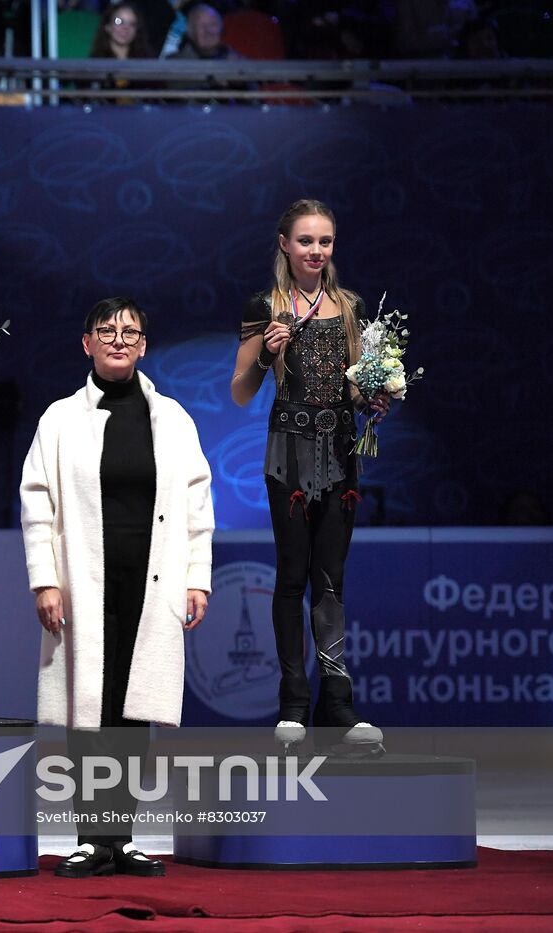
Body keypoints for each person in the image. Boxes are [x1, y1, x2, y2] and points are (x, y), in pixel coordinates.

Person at [21, 297, 213, 879]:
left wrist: (196, 578)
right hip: (84, 584)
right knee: (91, 710)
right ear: (87, 343)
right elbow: (37, 503)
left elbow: (198, 505)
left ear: (144, 345)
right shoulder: (58, 419)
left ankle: (123, 839)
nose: (119, 339)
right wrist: (45, 581)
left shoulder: (174, 419)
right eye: (106, 330)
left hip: (150, 581)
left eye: (130, 331)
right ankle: (89, 839)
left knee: (133, 713)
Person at [230, 198, 388, 754]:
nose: (316, 251)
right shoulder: (266, 305)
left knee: (332, 577)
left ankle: (337, 701)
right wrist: (263, 354)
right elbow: (240, 390)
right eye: (305, 241)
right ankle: (293, 701)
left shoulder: (348, 307)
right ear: (284, 245)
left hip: (342, 454)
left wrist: (375, 395)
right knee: (292, 572)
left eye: (324, 241)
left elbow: (355, 386)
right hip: (289, 454)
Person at [165, 3, 241, 59]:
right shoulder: (176, 64)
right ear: (190, 32)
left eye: (213, 24)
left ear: (221, 28)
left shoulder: (237, 61)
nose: (208, 30)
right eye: (202, 26)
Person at [90, 2, 156, 58]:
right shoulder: (96, 62)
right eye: (119, 22)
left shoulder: (146, 60)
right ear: (108, 26)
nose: (125, 28)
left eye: (132, 24)